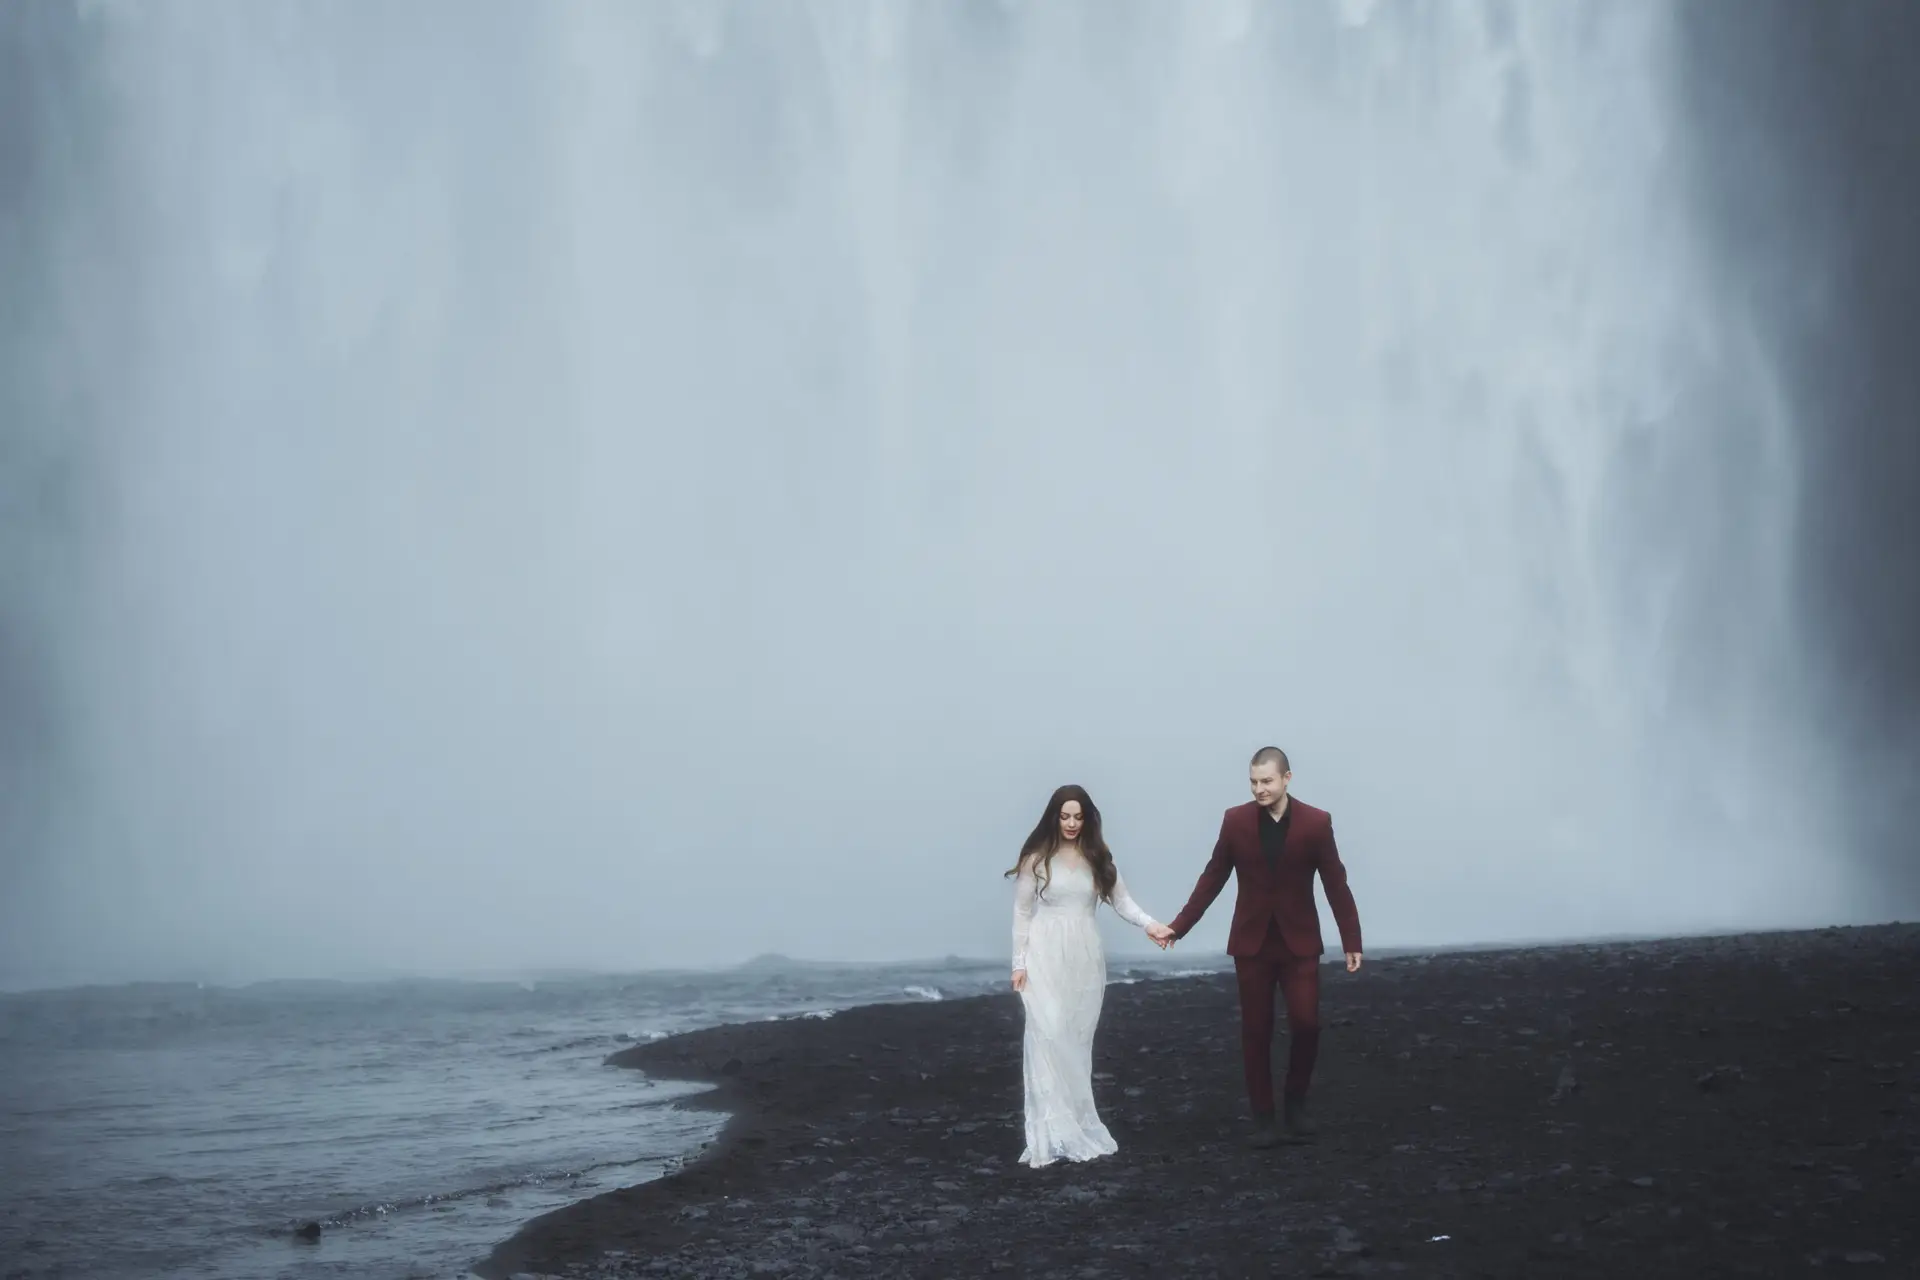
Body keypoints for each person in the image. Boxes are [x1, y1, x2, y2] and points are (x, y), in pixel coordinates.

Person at [1165, 747, 1363, 1148]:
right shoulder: (1235, 822)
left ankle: (1295, 1107)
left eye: (1267, 781)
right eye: (1254, 782)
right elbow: (1213, 877)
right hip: (1252, 943)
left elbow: (1335, 883)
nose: (1260, 789)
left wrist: (1351, 940)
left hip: (1300, 943)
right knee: (1256, 1031)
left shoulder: (1316, 823)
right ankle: (1264, 1120)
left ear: (1287, 778)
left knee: (1307, 1024)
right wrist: (1178, 927)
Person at [1008, 784, 1174, 1168]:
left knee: (1076, 1041)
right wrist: (1019, 964)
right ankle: (1048, 1135)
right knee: (1047, 1034)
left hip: (1084, 957)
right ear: (1054, 816)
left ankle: (1077, 1125)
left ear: (1087, 819)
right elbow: (1022, 913)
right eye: (1064, 816)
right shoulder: (1036, 859)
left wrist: (1152, 925)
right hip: (1044, 953)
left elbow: (1123, 902)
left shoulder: (1097, 857)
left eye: (1078, 817)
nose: (1070, 823)